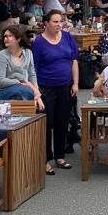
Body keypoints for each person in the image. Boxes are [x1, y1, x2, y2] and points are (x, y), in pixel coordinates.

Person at [31, 10, 78, 175]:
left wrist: (76, 83)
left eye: (61, 21)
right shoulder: (38, 42)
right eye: (56, 22)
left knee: (62, 121)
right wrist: (36, 91)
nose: (59, 25)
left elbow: (73, 60)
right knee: (47, 123)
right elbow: (33, 68)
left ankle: (59, 156)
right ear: (46, 23)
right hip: (46, 87)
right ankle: (45, 159)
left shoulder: (66, 37)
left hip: (65, 86)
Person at [0, 26, 44, 109]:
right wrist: (20, 82)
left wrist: (36, 92)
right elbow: (0, 81)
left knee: (30, 93)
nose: (6, 38)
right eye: (5, 36)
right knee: (22, 91)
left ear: (18, 39)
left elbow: (32, 74)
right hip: (5, 90)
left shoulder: (28, 53)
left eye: (10, 36)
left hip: (25, 89)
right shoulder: (1, 55)